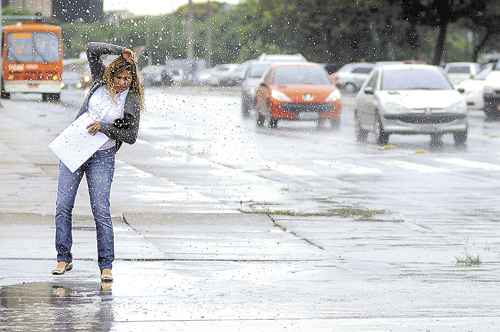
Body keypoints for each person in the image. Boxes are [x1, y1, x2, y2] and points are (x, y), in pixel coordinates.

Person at [52, 42, 144, 282]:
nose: (124, 82)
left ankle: (106, 265)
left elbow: (131, 136)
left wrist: (104, 127)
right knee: (63, 206)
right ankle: (63, 258)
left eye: (128, 78)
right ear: (111, 73)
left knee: (101, 209)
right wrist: (121, 50)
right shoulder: (99, 80)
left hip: (102, 156)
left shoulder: (131, 98)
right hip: (74, 147)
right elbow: (92, 48)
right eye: (120, 76)